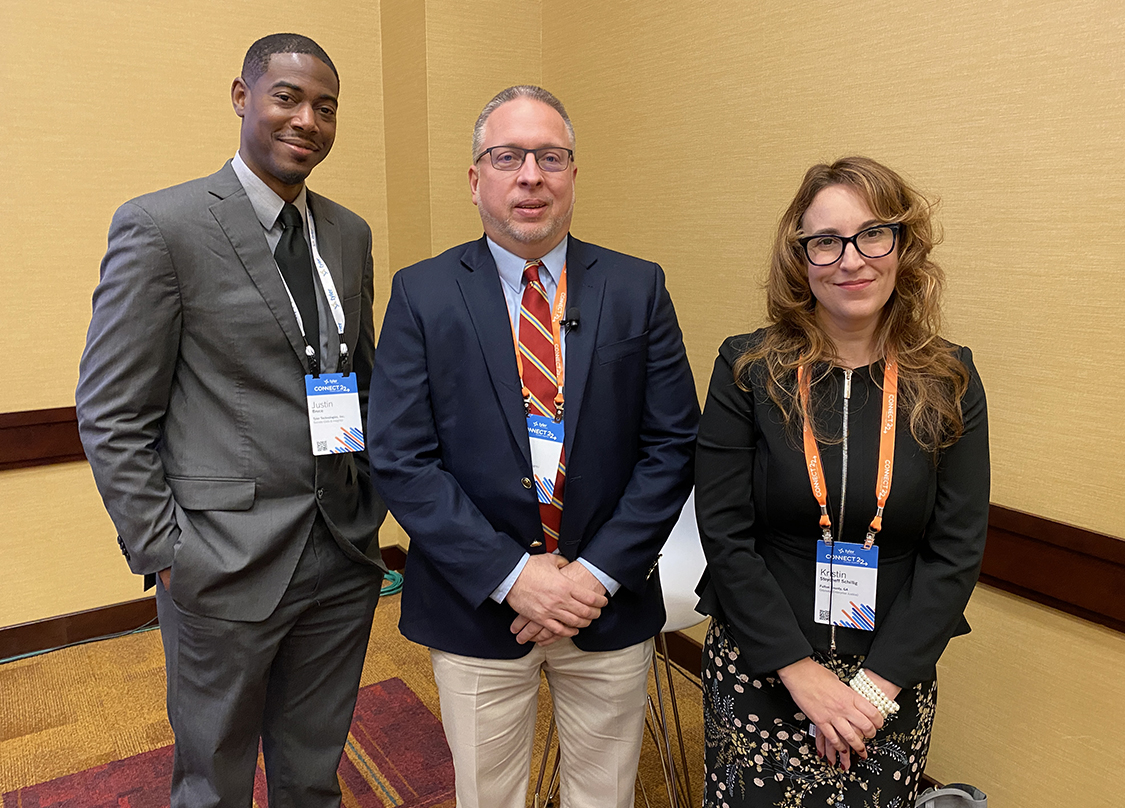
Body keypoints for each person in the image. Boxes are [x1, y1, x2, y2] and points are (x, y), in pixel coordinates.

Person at [75, 33, 386, 808]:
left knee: (313, 771)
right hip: (221, 558)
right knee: (213, 779)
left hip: (340, 552)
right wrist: (164, 549)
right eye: (286, 97)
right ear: (243, 97)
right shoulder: (163, 226)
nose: (306, 120)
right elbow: (112, 409)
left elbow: (359, 376)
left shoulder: (347, 234)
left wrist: (369, 496)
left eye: (325, 107)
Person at [367, 85, 699, 808]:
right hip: (476, 605)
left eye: (550, 157)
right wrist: (513, 575)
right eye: (507, 156)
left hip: (603, 605)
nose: (529, 176)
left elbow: (671, 445)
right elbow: (400, 456)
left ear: (572, 174)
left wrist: (593, 578)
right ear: (474, 177)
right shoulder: (421, 294)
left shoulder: (636, 288)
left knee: (602, 795)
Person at [694, 156, 989, 807]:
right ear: (800, 258)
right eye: (825, 241)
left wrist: (874, 687)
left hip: (889, 681)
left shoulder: (948, 381)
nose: (850, 259)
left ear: (901, 245)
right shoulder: (747, 370)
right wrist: (799, 672)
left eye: (871, 234)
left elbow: (956, 548)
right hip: (762, 667)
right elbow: (724, 532)